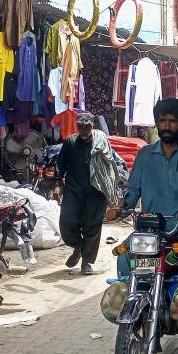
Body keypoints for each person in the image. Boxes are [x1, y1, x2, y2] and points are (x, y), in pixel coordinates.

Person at [109, 99, 178, 276]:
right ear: (156, 123)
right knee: (126, 255)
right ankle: (131, 299)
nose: (167, 126)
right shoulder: (145, 155)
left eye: (173, 121)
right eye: (162, 121)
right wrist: (121, 207)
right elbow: (132, 190)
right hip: (151, 227)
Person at [56, 113, 121, 275]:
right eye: (81, 127)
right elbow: (60, 166)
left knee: (92, 227)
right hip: (73, 190)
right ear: (77, 126)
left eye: (87, 127)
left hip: (96, 191)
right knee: (67, 223)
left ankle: (86, 262)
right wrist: (57, 185)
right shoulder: (70, 142)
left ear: (93, 126)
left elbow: (112, 163)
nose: (84, 130)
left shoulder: (101, 142)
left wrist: (117, 182)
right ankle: (77, 246)